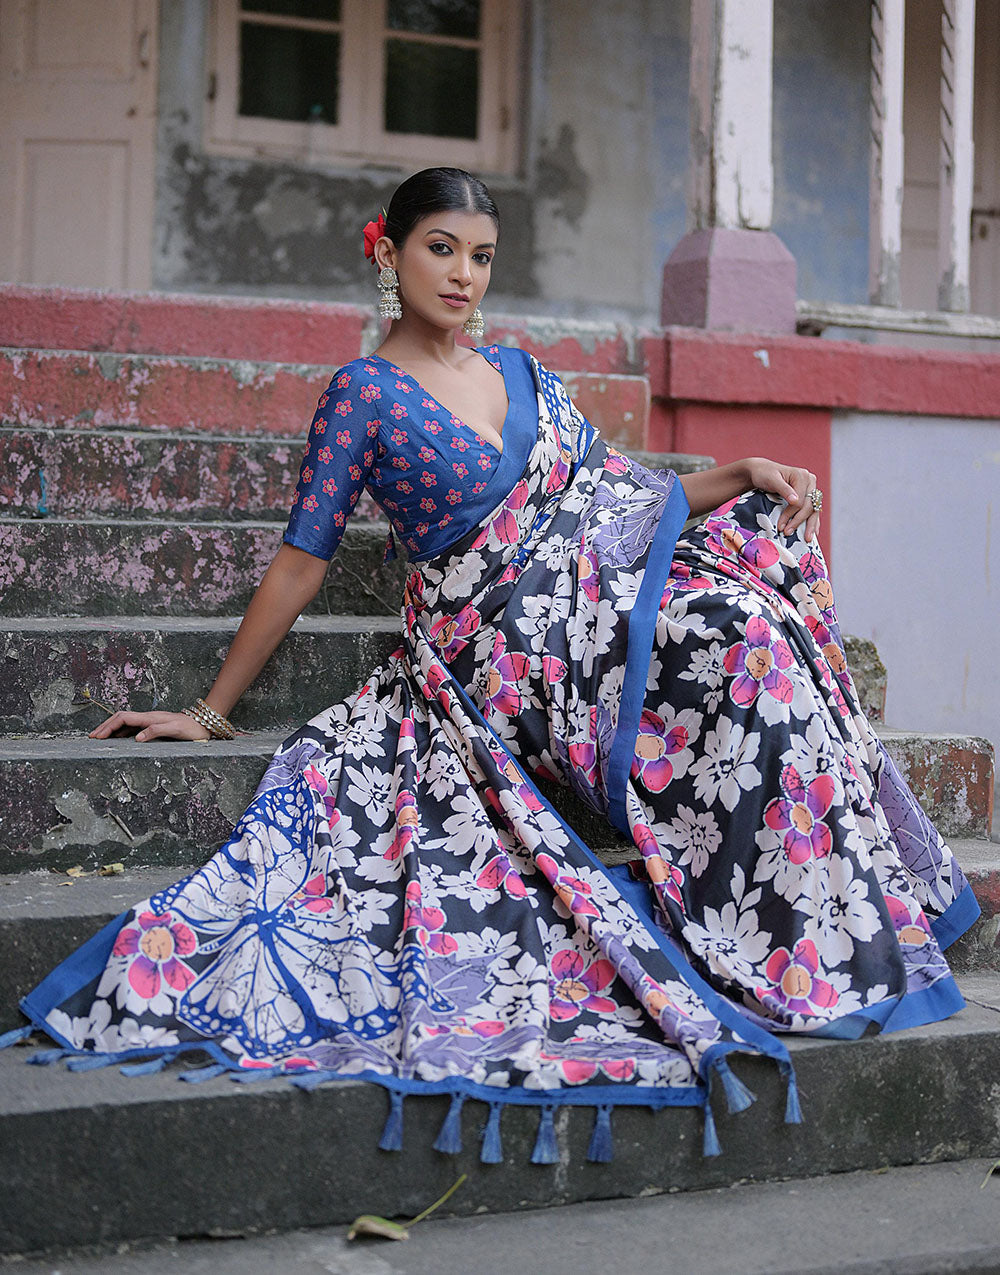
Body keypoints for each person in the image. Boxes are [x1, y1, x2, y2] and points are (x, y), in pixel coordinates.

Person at [10, 168, 978, 1165]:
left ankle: (814, 930)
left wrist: (737, 473)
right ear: (387, 253)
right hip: (499, 653)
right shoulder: (362, 396)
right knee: (724, 642)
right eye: (440, 249)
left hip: (591, 608)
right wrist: (210, 713)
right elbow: (302, 559)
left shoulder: (524, 376)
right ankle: (766, 932)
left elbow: (619, 503)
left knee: (749, 618)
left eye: (479, 256)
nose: (462, 274)